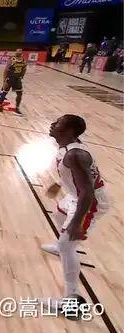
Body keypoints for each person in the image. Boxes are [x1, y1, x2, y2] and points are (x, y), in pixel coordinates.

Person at [41, 115, 110, 314]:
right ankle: (60, 246)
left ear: (69, 130)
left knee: (68, 243)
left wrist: (77, 222)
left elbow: (87, 191)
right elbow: (75, 175)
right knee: (58, 215)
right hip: (75, 195)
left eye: (58, 123)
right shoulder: (68, 146)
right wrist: (59, 184)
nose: (53, 124)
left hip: (89, 202)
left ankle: (70, 301)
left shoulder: (75, 155)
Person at [0, 49, 27, 116]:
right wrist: (4, 81)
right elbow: (6, 70)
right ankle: (0, 105)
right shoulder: (12, 60)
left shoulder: (23, 61)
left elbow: (24, 69)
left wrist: (22, 76)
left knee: (19, 93)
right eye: (17, 51)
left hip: (16, 79)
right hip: (11, 78)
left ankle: (16, 108)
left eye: (19, 51)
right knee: (5, 92)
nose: (18, 52)